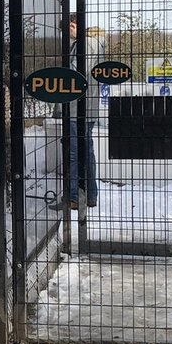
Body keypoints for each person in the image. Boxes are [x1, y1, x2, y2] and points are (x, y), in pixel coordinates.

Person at [67, 18, 101, 209]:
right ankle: (89, 195)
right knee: (87, 151)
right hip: (89, 106)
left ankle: (75, 197)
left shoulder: (85, 44)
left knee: (75, 153)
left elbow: (76, 74)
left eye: (71, 26)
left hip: (77, 106)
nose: (68, 31)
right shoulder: (94, 43)